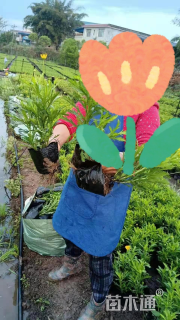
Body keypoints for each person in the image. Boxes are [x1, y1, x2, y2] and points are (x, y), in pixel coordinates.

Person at [45, 101, 160, 319]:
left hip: (111, 192)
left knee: (100, 252)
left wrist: (111, 161)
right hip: (80, 182)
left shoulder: (146, 108)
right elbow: (70, 120)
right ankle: (71, 265)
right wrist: (53, 144)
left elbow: (146, 151)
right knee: (72, 230)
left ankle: (98, 300)